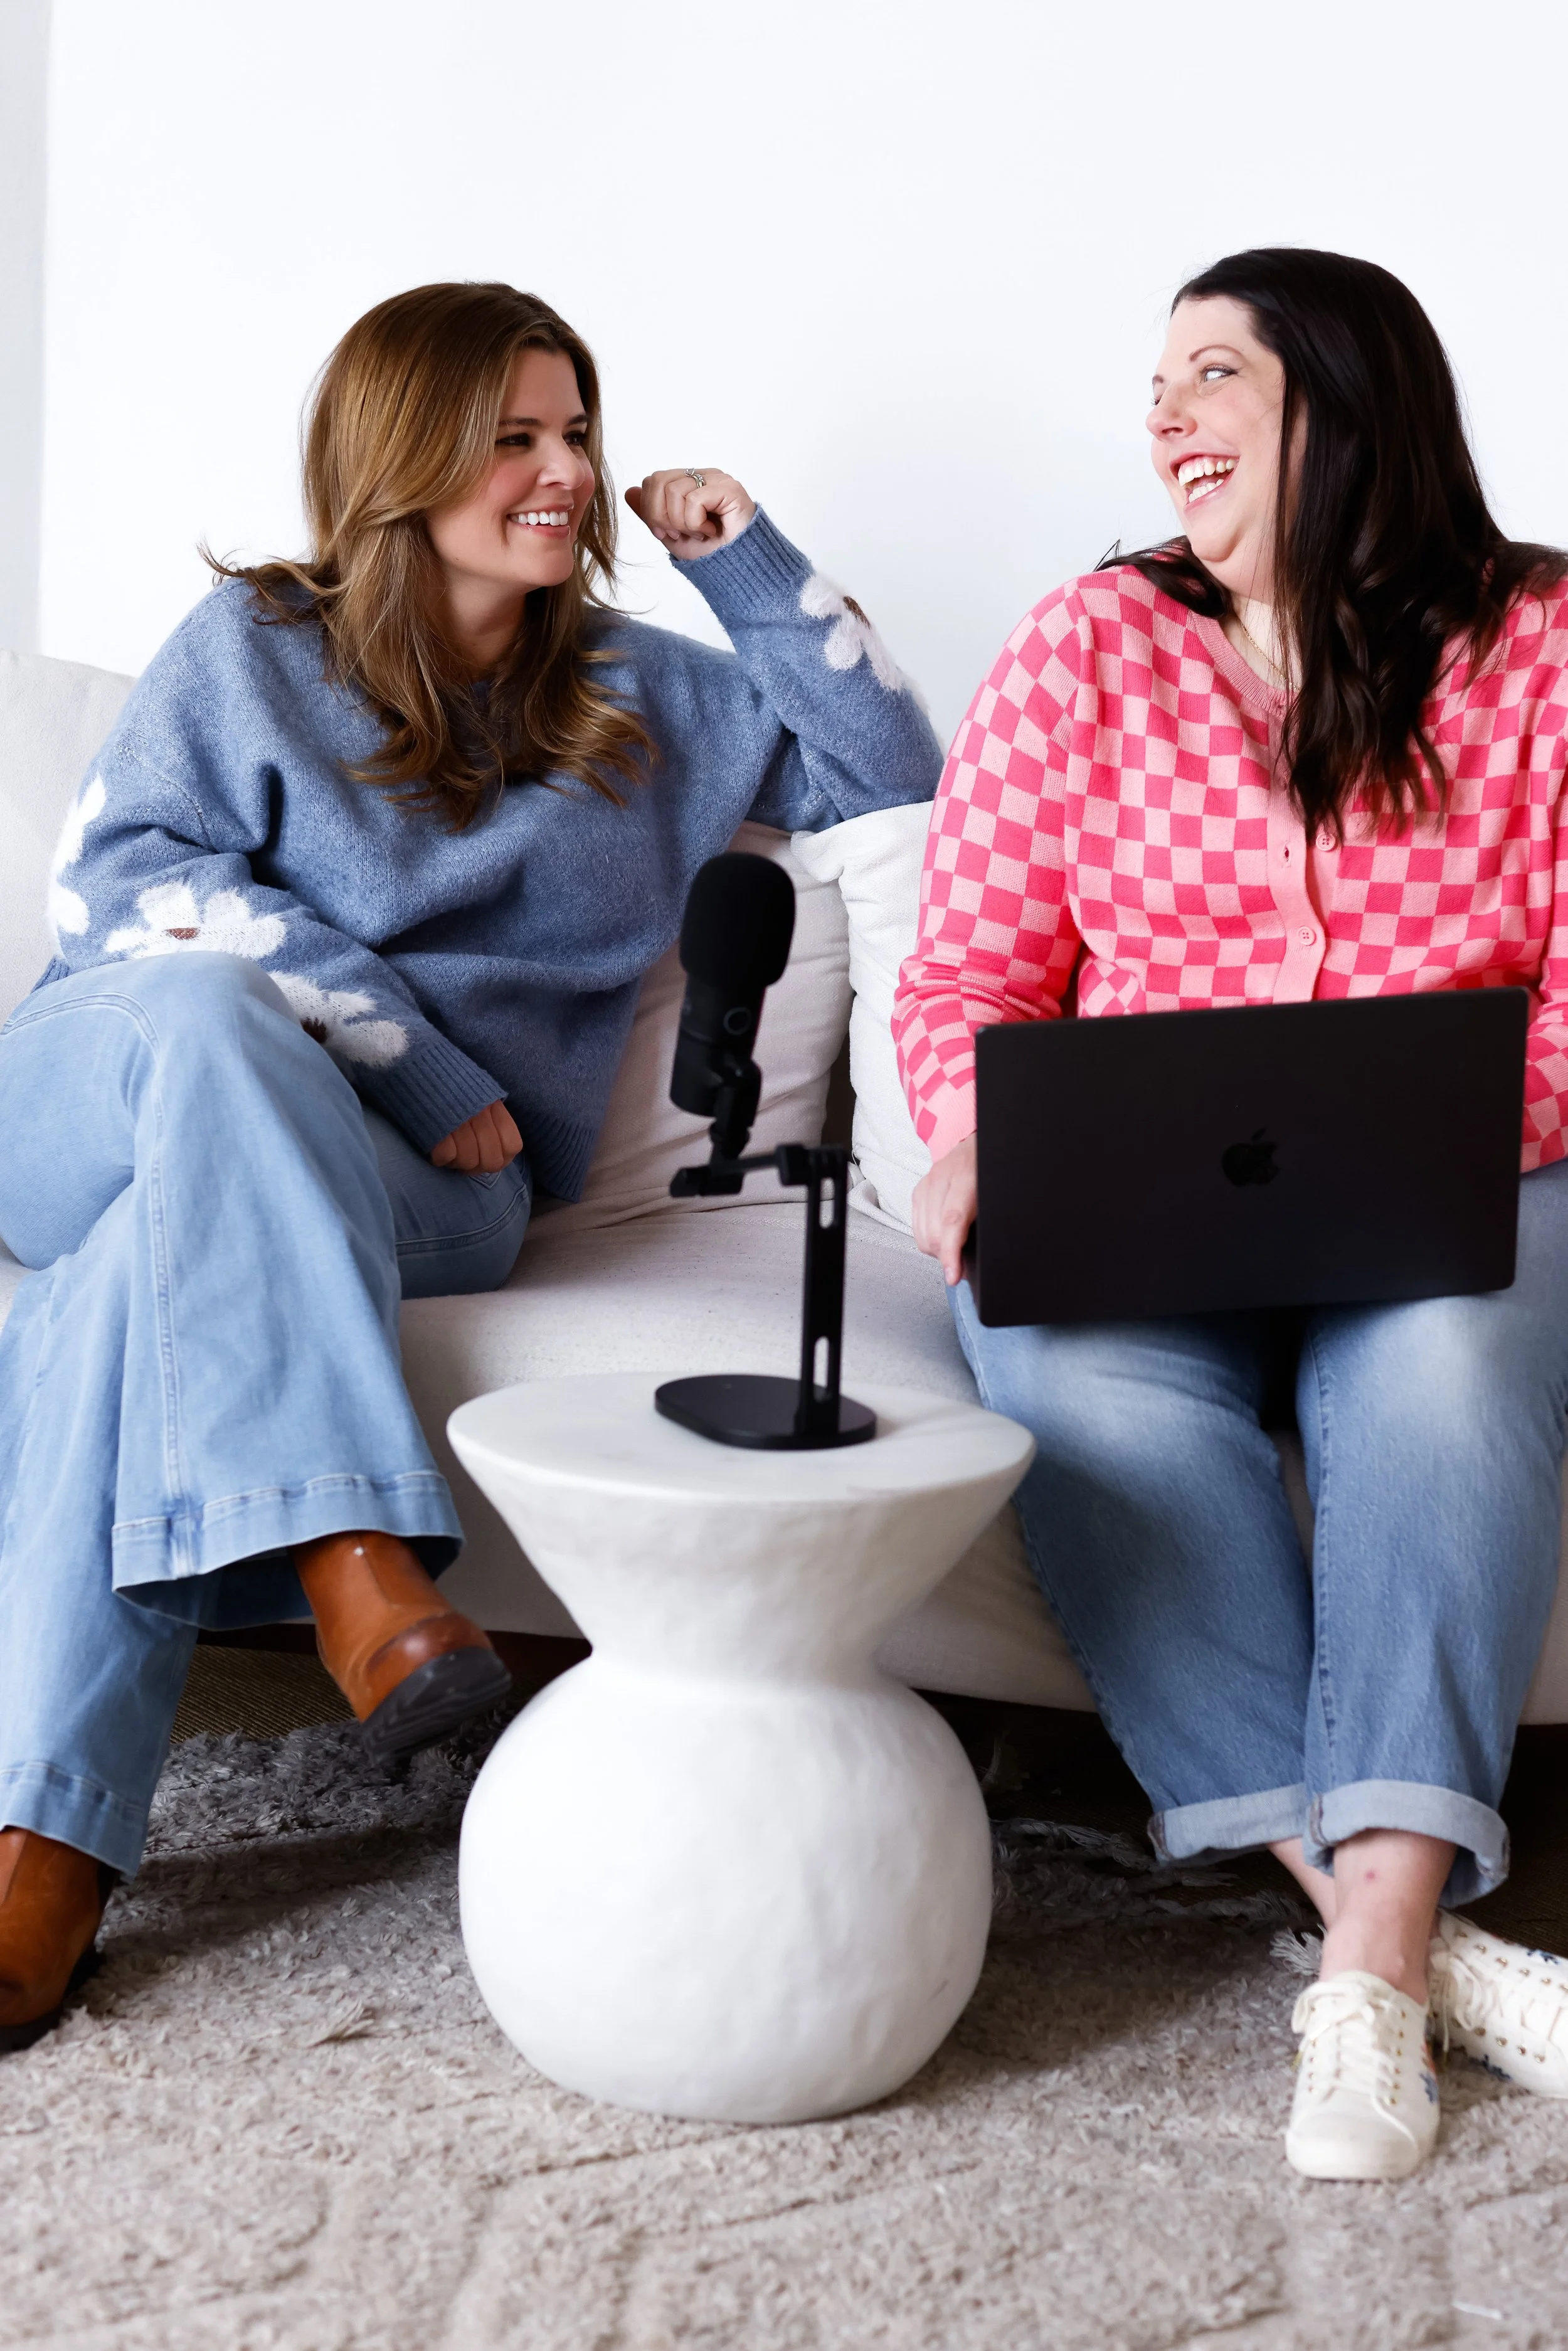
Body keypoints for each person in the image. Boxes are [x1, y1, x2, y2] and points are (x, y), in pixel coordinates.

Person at [0, 280, 941, 2050]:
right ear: (402, 456)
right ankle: (355, 1547)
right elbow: (118, 892)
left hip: (428, 1190)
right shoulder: (256, 648)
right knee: (208, 1022)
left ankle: (43, 1839)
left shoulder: (645, 702)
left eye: (574, 430)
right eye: (514, 437)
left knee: (142, 1281)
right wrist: (409, 1050)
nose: (565, 471)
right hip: (107, 1092)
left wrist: (742, 557)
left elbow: (889, 770)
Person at [896, 248, 1568, 2181]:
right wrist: (969, 1129)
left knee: (1444, 1374)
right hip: (1138, 1205)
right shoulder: (1089, 644)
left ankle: (1361, 1965)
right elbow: (964, 979)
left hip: (1468, 1187)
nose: (1162, 419)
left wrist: (1428, 1113)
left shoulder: (1536, 646)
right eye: (1159, 382)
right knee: (1071, 1384)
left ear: (1339, 409)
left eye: (1211, 377)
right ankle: (1414, 1948)